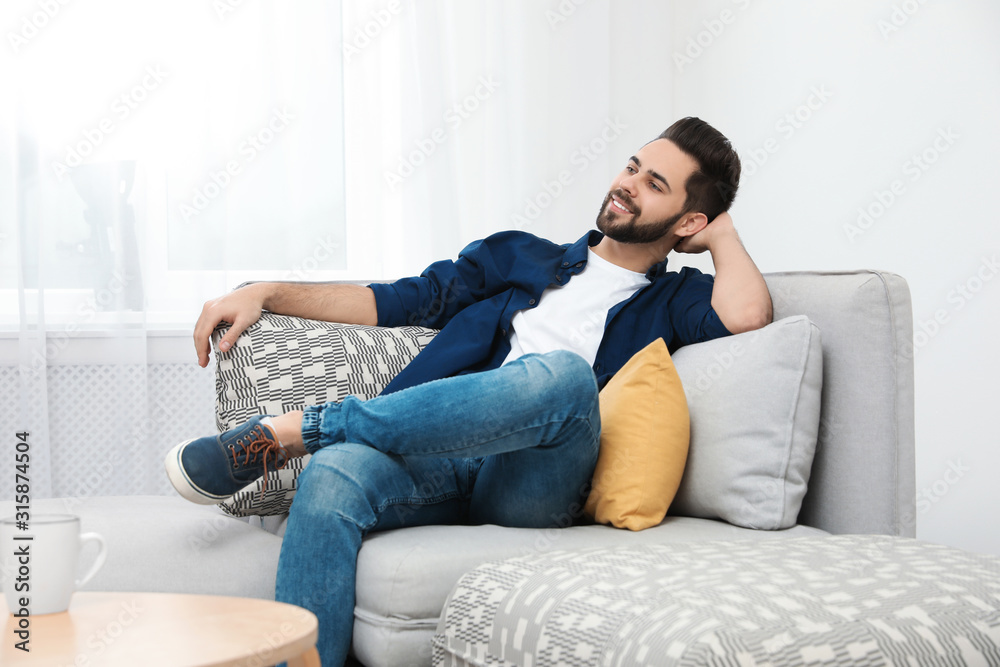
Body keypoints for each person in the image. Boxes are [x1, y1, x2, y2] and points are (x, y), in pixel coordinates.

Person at [165, 117, 771, 665]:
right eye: (633, 166)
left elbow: (747, 317)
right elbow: (399, 299)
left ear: (689, 221)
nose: (628, 184)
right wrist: (268, 290)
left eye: (655, 184)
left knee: (563, 375)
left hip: (534, 480)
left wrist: (721, 235)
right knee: (336, 471)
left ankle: (305, 427)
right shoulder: (518, 256)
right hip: (438, 449)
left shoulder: (675, 298)